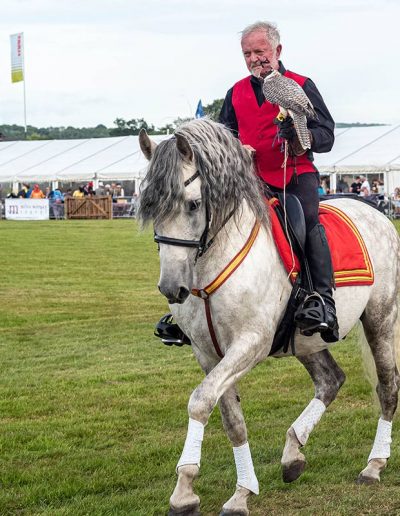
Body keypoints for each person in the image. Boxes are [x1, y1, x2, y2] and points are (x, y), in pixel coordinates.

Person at [219, 21, 338, 342]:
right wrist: (234, 149)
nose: (255, 58)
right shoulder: (235, 93)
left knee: (308, 223)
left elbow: (327, 135)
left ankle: (322, 301)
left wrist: (303, 138)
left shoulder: (300, 84)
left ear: (277, 51)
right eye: (248, 53)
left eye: (260, 51)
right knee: (209, 221)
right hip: (250, 182)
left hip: (295, 176)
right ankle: (194, 306)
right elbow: (222, 138)